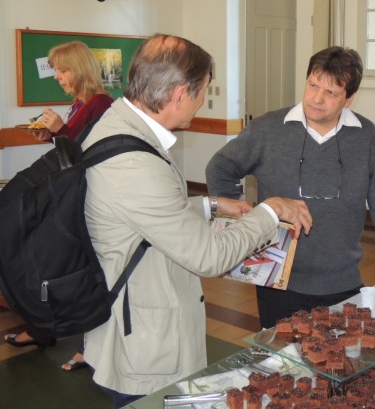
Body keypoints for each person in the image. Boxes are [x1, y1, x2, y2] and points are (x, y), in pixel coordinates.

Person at [80, 34, 312, 407]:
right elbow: (209, 256)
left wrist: (210, 206)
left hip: (139, 321)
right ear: (178, 94)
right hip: (141, 342)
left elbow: (149, 215)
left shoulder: (121, 125)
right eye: (203, 91)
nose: (203, 102)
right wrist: (271, 211)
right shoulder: (135, 162)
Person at [206, 46, 375, 328]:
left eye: (331, 93)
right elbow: (219, 169)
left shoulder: (365, 136)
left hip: (343, 283)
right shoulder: (268, 129)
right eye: (312, 86)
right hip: (278, 284)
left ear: (349, 100)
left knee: (342, 365)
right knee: (283, 368)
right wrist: (242, 220)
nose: (317, 99)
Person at [4, 41, 114, 372]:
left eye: (62, 70)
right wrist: (52, 135)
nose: (58, 77)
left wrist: (60, 132)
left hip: (86, 200)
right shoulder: (80, 104)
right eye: (55, 71)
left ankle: (87, 346)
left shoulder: (102, 105)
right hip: (69, 195)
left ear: (79, 69)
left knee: (80, 269)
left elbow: (90, 156)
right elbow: (71, 150)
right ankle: (42, 327)